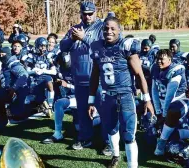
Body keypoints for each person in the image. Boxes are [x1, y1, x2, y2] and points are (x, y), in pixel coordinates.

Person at [88, 17, 154, 168]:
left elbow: (140, 75)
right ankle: (115, 155)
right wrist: (91, 101)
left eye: (112, 28)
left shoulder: (126, 45)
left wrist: (147, 99)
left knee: (129, 136)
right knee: (111, 129)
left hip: (125, 96)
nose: (109, 31)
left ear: (119, 30)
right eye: (106, 28)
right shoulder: (97, 47)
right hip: (107, 95)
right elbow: (94, 76)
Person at [60, 1, 111, 155]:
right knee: (83, 111)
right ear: (80, 14)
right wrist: (72, 39)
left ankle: (108, 142)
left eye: (91, 13)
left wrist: (83, 38)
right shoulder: (75, 29)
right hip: (80, 78)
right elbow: (63, 47)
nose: (88, 16)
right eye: (85, 13)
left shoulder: (103, 27)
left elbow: (104, 48)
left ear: (95, 13)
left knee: (104, 111)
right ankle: (85, 138)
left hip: (98, 78)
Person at [152, 49, 189, 156]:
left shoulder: (176, 69)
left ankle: (162, 142)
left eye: (161, 59)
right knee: (151, 134)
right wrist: (158, 111)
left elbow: (170, 95)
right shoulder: (155, 68)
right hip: (162, 102)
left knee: (171, 112)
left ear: (169, 60)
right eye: (157, 59)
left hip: (180, 101)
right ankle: (175, 134)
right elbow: (154, 90)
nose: (158, 61)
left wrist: (163, 115)